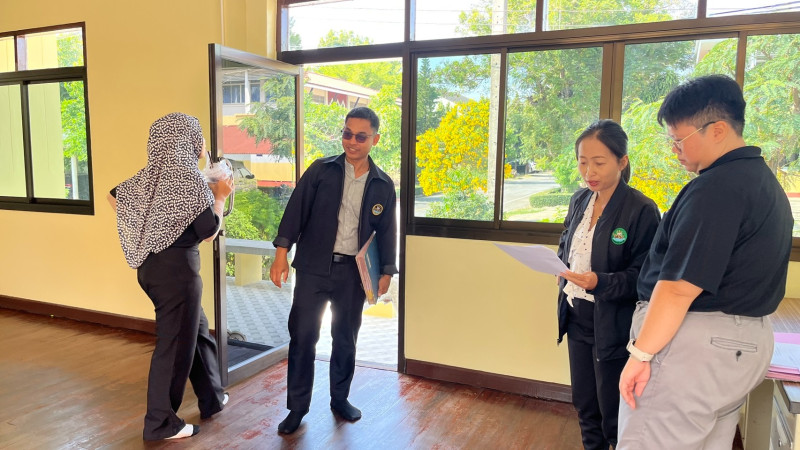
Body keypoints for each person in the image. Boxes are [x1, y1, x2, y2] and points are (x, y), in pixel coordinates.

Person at [617, 75, 794, 449]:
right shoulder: (763, 183)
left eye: (678, 139)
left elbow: (679, 288)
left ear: (717, 130)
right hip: (742, 346)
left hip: (695, 346)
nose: (674, 150)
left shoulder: (716, 187)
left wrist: (640, 354)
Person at [268, 106, 397, 434]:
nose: (352, 141)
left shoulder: (383, 184)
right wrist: (281, 254)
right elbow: (294, 212)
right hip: (312, 269)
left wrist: (386, 272)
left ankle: (340, 399)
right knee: (303, 337)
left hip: (353, 275)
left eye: (360, 137)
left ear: (375, 139)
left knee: (345, 339)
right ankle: (297, 408)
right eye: (347, 134)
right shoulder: (321, 170)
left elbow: (387, 232)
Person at [108, 112, 234, 440]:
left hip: (151, 270)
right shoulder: (188, 178)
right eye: (199, 135)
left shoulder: (148, 176)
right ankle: (160, 422)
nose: (202, 142)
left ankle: (212, 397)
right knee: (174, 345)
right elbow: (208, 231)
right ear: (187, 139)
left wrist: (147, 229)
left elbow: (113, 197)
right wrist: (220, 197)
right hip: (178, 274)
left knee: (197, 331)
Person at [557, 120, 661, 449]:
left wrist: (599, 282)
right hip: (576, 316)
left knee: (614, 413)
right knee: (585, 405)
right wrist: (558, 266)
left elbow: (644, 277)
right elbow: (567, 245)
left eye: (599, 162)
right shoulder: (579, 200)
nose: (589, 171)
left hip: (614, 325)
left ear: (622, 161)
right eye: (582, 162)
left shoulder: (641, 209)